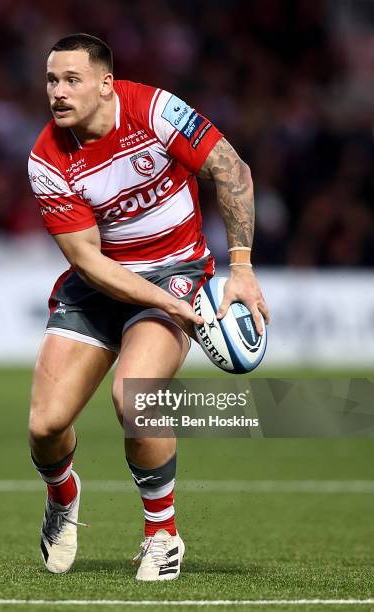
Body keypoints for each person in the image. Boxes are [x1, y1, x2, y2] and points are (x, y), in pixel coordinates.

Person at [28, 33, 269, 582]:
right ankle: (63, 497)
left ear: (106, 84)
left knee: (134, 397)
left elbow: (232, 170)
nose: (58, 92)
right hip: (99, 284)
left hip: (177, 269)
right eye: (51, 80)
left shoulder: (156, 112)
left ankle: (162, 535)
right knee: (45, 426)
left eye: (72, 80)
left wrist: (243, 268)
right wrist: (168, 305)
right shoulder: (46, 158)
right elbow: (89, 262)